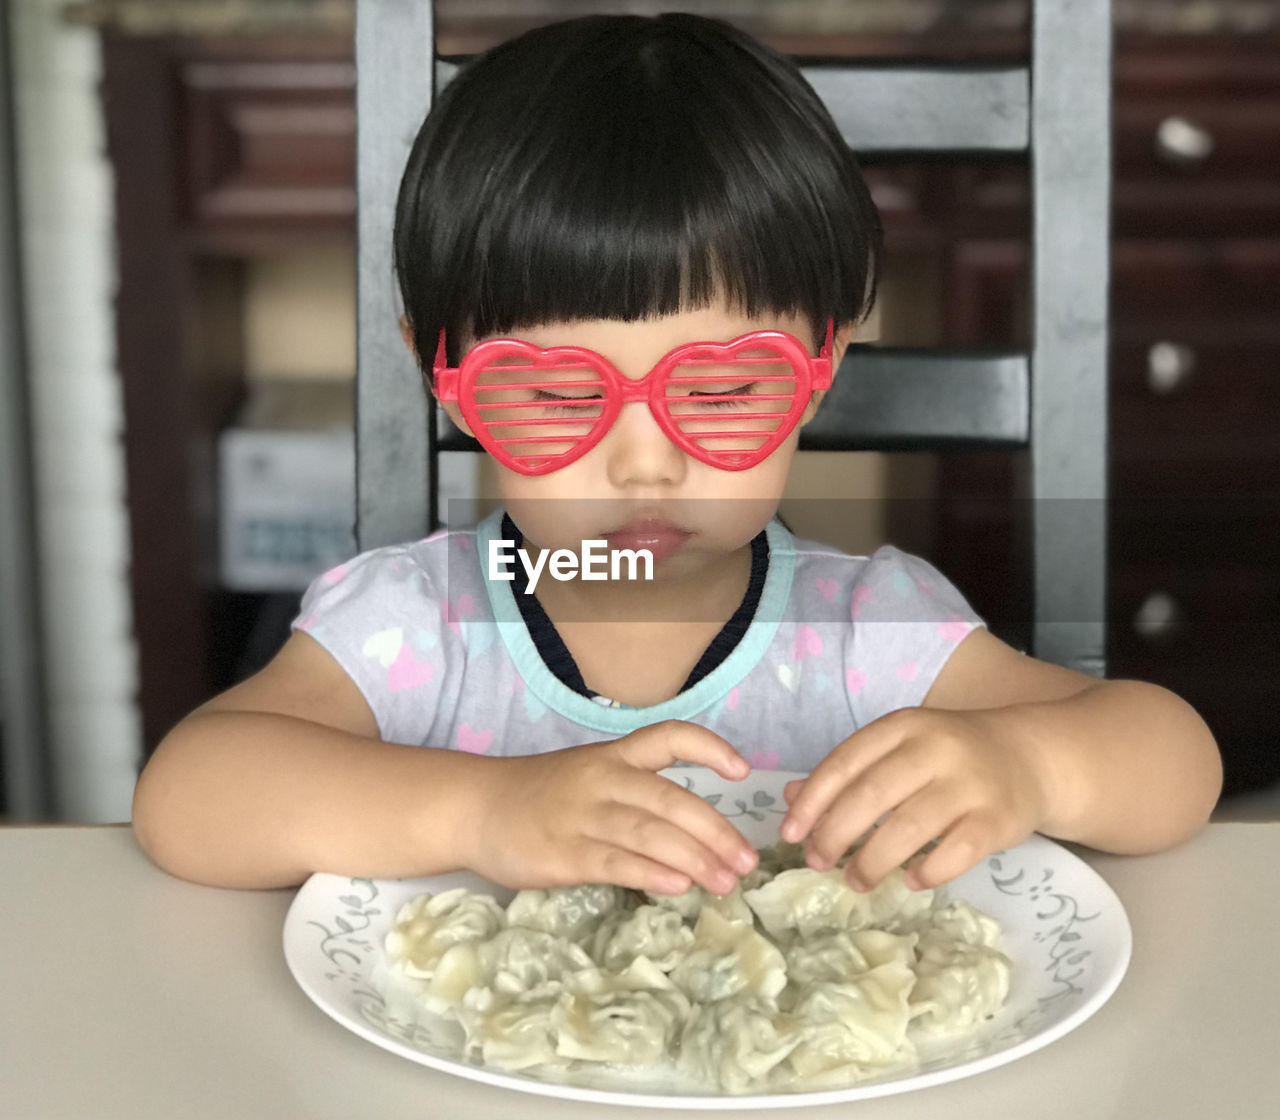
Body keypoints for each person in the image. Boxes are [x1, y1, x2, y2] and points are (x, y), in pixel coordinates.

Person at [131, 13, 1222, 897]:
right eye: (559, 395)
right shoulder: (419, 625)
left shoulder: (865, 635)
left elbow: (1168, 759)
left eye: (723, 391)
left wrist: (1026, 766)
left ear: (822, 361)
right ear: (441, 368)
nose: (646, 465)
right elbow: (188, 797)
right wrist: (482, 808)